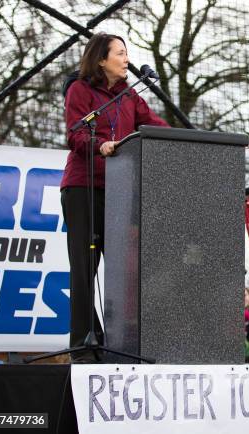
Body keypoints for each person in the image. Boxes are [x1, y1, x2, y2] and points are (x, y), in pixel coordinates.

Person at [61, 33, 169, 362]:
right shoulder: (80, 90)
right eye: (120, 53)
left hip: (119, 191)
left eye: (127, 53)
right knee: (84, 270)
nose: (126, 59)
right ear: (101, 60)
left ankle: (122, 345)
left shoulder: (129, 95)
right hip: (83, 188)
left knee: (123, 271)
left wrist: (183, 137)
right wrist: (100, 145)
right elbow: (76, 133)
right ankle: (84, 345)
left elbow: (152, 124)